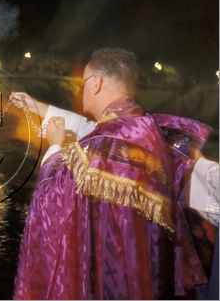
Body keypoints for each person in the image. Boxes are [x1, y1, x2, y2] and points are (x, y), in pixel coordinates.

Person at [12, 48, 212, 299]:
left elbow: (56, 188)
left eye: (83, 83)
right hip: (146, 273)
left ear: (95, 83)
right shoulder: (145, 128)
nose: (80, 90)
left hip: (110, 276)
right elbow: (93, 131)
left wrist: (54, 147)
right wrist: (35, 106)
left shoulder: (106, 143)